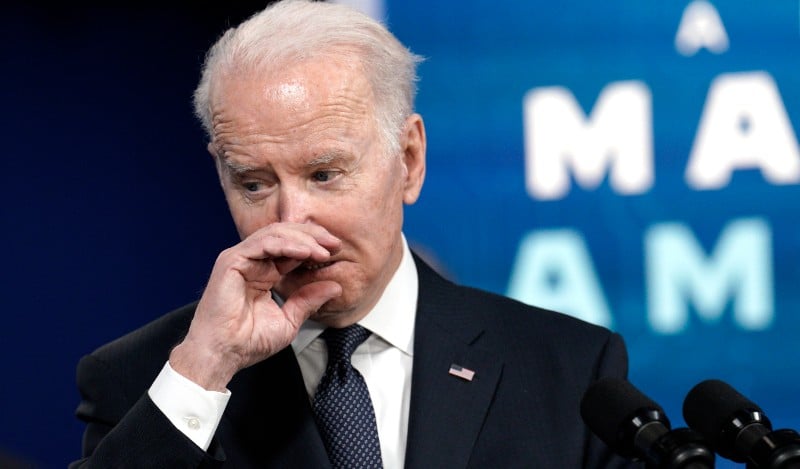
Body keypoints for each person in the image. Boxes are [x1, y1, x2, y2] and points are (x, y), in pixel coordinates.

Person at [72, 1, 639, 467]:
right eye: (253, 183)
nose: (291, 219)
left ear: (409, 161)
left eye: (325, 174)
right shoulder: (149, 381)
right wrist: (204, 370)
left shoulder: (566, 370)